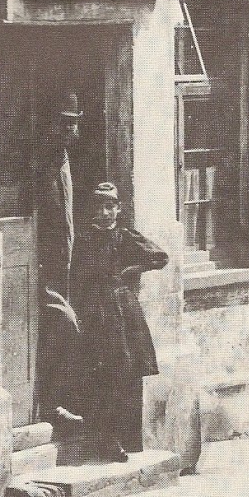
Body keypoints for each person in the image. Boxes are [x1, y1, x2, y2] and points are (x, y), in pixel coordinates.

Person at [71, 181, 168, 462]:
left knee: (126, 373)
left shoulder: (125, 236)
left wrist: (131, 270)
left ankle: (125, 439)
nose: (104, 213)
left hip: (123, 311)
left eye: (110, 207)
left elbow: (159, 257)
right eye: (99, 207)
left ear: (118, 209)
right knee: (102, 375)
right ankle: (104, 439)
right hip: (95, 310)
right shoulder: (84, 238)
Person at [36, 93, 83, 427]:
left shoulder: (63, 158)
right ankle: (50, 403)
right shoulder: (41, 163)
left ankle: (57, 403)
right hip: (41, 267)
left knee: (63, 330)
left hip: (62, 265)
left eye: (74, 122)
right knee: (66, 325)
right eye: (64, 122)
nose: (71, 129)